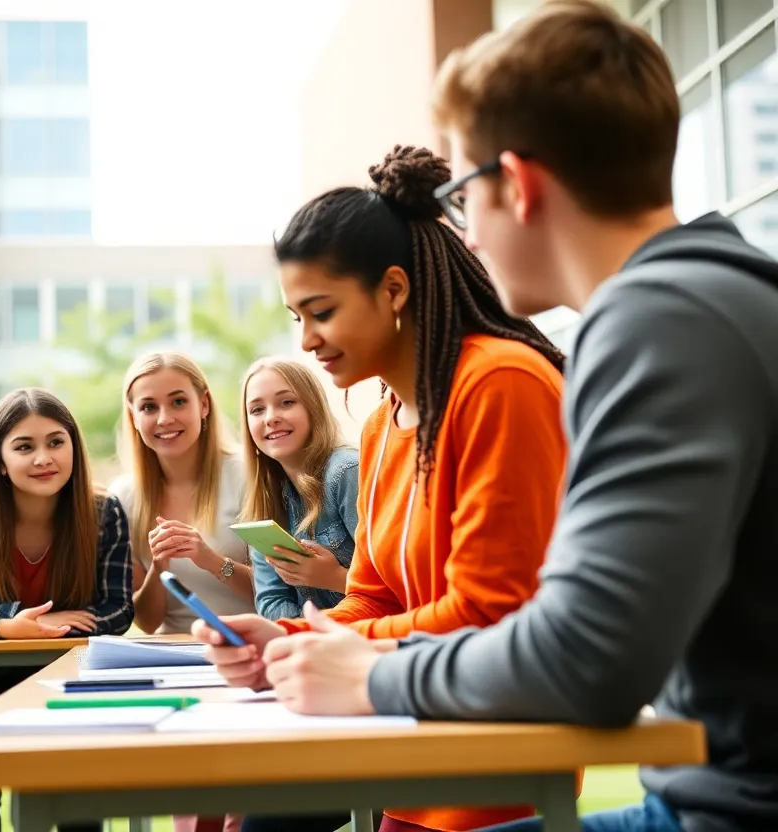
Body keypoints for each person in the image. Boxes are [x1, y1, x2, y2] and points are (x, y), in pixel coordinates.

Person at [203, 3, 778, 831]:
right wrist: (317, 643)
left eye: (465, 194)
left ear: (519, 184)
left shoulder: (658, 322)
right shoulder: (709, 296)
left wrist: (365, 673)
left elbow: (584, 657)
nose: (464, 234)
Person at [199, 144, 569, 832]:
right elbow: (372, 595)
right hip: (407, 743)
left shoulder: (500, 384)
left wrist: (325, 646)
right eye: (295, 318)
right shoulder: (379, 426)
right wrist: (276, 636)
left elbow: (490, 612)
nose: (306, 340)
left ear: (393, 290)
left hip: (493, 757)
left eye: (322, 311)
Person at [0, 387, 133, 832]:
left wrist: (55, 628)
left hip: (62, 675)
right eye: (24, 447)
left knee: (77, 797)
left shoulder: (104, 511)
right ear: (0, 461)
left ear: (74, 447)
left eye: (56, 442)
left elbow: (119, 610)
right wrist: (9, 625)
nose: (44, 458)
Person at [110, 350, 252, 832]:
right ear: (133, 417)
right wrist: (160, 568)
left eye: (177, 401)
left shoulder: (250, 475)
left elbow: (279, 597)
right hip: (178, 662)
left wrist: (209, 558)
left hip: (248, 650)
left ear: (204, 404)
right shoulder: (127, 497)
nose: (164, 418)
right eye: (148, 407)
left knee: (235, 816)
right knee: (196, 817)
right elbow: (146, 620)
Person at [240, 357, 358, 619]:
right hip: (314, 645)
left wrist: (335, 578)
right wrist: (304, 631)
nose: (271, 418)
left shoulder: (347, 472)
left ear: (313, 407)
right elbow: (271, 602)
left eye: (287, 402)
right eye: (257, 410)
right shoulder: (265, 497)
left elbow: (396, 589)